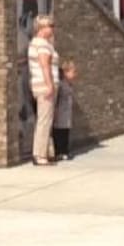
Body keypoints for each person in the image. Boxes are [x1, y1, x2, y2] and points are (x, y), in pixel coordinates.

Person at [27, 14, 60, 166]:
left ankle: (47, 151)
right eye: (50, 26)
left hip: (45, 84)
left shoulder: (45, 43)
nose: (53, 29)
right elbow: (44, 65)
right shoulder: (41, 44)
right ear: (42, 28)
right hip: (44, 85)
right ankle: (39, 154)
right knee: (44, 119)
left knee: (47, 119)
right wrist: (49, 85)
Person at [52, 59, 77, 161]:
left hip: (66, 113)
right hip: (61, 111)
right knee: (59, 131)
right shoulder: (61, 85)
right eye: (73, 72)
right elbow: (57, 98)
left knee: (65, 131)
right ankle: (59, 151)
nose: (75, 74)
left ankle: (65, 151)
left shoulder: (69, 84)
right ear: (66, 72)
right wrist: (55, 111)